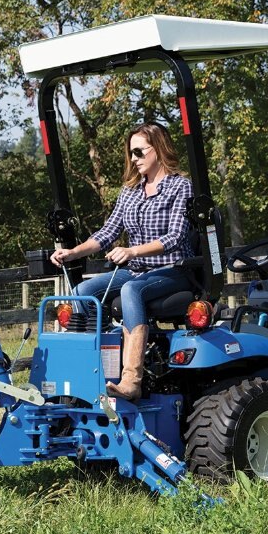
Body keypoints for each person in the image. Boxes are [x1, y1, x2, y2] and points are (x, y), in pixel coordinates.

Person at [50, 122, 195, 400]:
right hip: (138, 272)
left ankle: (132, 380)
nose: (134, 159)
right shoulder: (130, 191)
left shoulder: (180, 187)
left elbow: (176, 237)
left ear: (158, 149)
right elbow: (107, 232)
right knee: (82, 292)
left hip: (172, 271)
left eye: (139, 152)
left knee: (131, 290)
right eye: (131, 153)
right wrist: (73, 252)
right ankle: (92, 371)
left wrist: (132, 252)